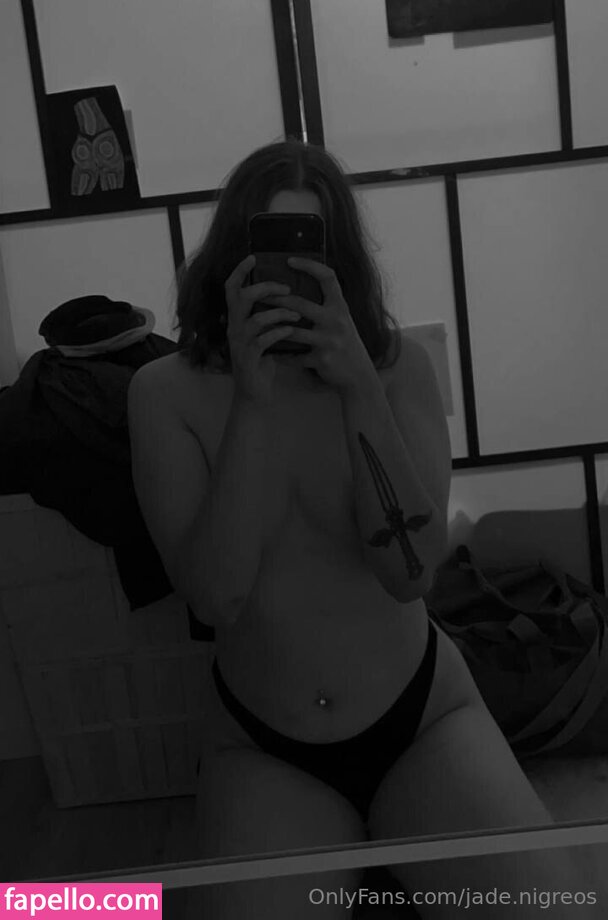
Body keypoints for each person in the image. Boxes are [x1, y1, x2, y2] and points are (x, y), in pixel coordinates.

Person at [128, 140, 590, 919]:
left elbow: (412, 574)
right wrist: (254, 403)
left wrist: (358, 390)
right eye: (268, 253)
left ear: (341, 267)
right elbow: (216, 596)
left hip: (424, 719)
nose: (290, 280)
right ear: (231, 263)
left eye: (310, 255)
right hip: (264, 745)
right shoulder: (164, 394)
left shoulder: (399, 371)